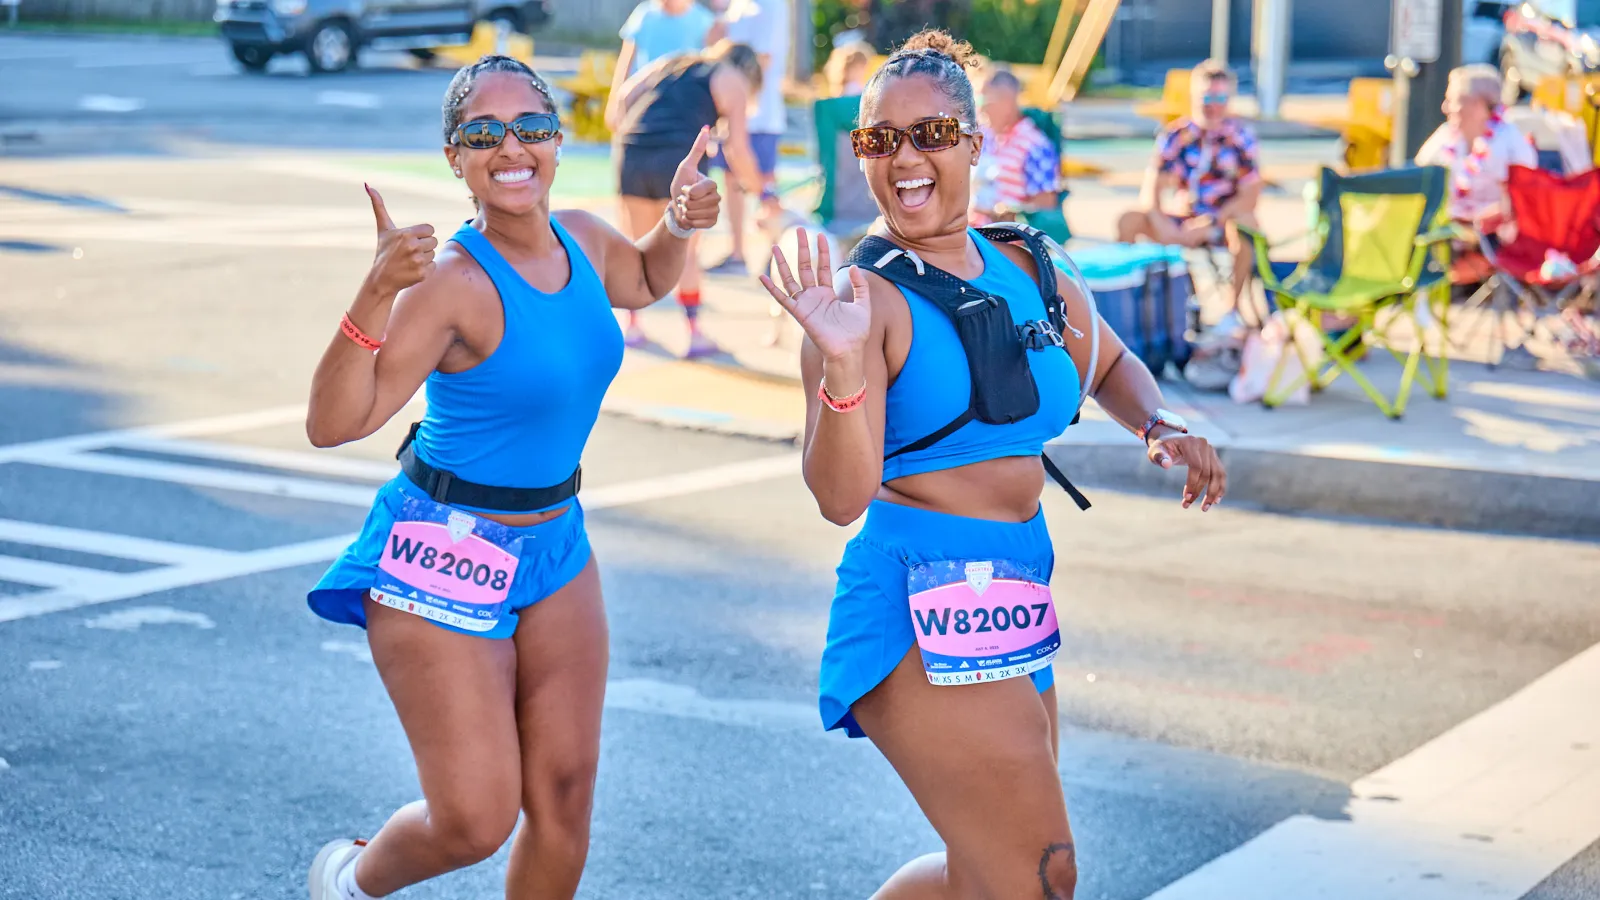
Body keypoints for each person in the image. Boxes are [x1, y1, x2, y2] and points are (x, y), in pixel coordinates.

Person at [757, 30, 1225, 900]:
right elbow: (837, 497)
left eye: (931, 133)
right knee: (1042, 876)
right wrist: (844, 368)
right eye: (879, 140)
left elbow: (1111, 362)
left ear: (975, 142)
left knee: (988, 878)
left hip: (1013, 586)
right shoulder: (862, 301)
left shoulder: (1028, 261)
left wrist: (1159, 426)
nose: (905, 158)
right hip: (919, 591)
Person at [302, 55, 721, 900]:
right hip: (441, 547)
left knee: (564, 806)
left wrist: (677, 222)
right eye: (482, 134)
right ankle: (346, 882)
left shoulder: (586, 238)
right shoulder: (452, 283)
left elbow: (640, 279)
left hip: (555, 544)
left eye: (530, 127)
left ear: (559, 142)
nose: (511, 148)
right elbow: (333, 423)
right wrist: (376, 293)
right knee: (475, 820)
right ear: (455, 158)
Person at [612, 40, 766, 356]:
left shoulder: (674, 61)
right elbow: (739, 150)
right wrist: (763, 190)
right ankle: (694, 334)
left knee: (637, 244)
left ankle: (633, 325)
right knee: (684, 249)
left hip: (633, 150)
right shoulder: (731, 78)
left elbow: (624, 98)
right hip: (678, 157)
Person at [1117, 59, 1261, 333]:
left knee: (1247, 225)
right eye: (1207, 96)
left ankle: (1231, 310)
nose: (1213, 104)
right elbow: (1150, 193)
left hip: (1222, 220)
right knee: (1129, 220)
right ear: (1194, 97)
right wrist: (1166, 227)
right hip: (1182, 217)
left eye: (1220, 97)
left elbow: (1250, 196)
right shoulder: (1175, 136)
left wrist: (1213, 223)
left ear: (1229, 99)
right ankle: (1131, 310)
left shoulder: (1241, 137)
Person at [1416, 63, 1537, 287]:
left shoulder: (1511, 143)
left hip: (1496, 239)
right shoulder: (1446, 137)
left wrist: (1480, 220)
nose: (1445, 107)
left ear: (1480, 106)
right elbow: (1418, 177)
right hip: (1448, 232)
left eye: (1454, 100)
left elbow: (1525, 200)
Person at [703, 0, 790, 277]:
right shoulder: (737, 6)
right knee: (732, 182)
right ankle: (737, 253)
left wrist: (738, 96)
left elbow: (763, 58)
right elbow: (713, 44)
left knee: (764, 183)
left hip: (761, 115)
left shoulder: (772, 6)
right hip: (734, 112)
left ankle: (776, 254)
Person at [604, 0, 716, 132]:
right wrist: (614, 102)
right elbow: (625, 63)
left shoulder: (705, 21)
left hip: (684, 110)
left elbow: (710, 70)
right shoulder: (644, 15)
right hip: (643, 103)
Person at [969, 68, 1059, 227]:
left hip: (1007, 240)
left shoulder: (1034, 145)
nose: (980, 110)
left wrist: (1010, 211)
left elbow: (1045, 208)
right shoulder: (985, 135)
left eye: (984, 101)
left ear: (1007, 102)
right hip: (972, 231)